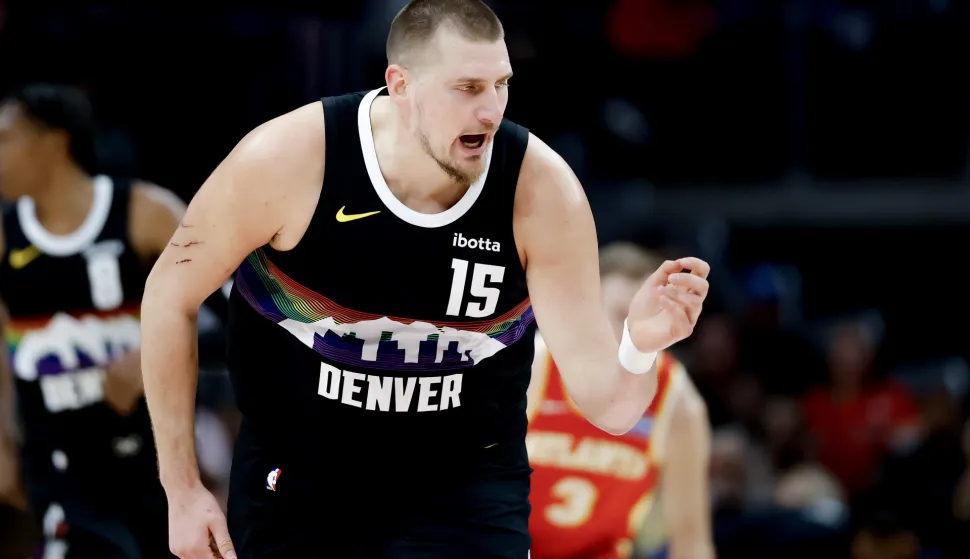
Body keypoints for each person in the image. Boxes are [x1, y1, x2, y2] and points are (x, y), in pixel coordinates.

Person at [139, 1, 711, 557]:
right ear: (401, 86)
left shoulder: (541, 192)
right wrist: (182, 491)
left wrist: (638, 344)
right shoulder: (289, 159)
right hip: (300, 474)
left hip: (463, 486)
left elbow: (610, 408)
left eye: (501, 85)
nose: (491, 110)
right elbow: (169, 296)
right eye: (467, 88)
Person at [0, 83, 186, 558]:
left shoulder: (145, 211)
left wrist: (149, 357)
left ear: (53, 141)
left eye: (6, 139)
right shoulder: (5, 234)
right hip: (56, 460)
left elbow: (234, 311)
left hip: (154, 453)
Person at [527, 242, 713, 559]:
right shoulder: (533, 366)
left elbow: (691, 541)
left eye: (642, 317)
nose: (631, 333)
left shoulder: (678, 401)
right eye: (619, 316)